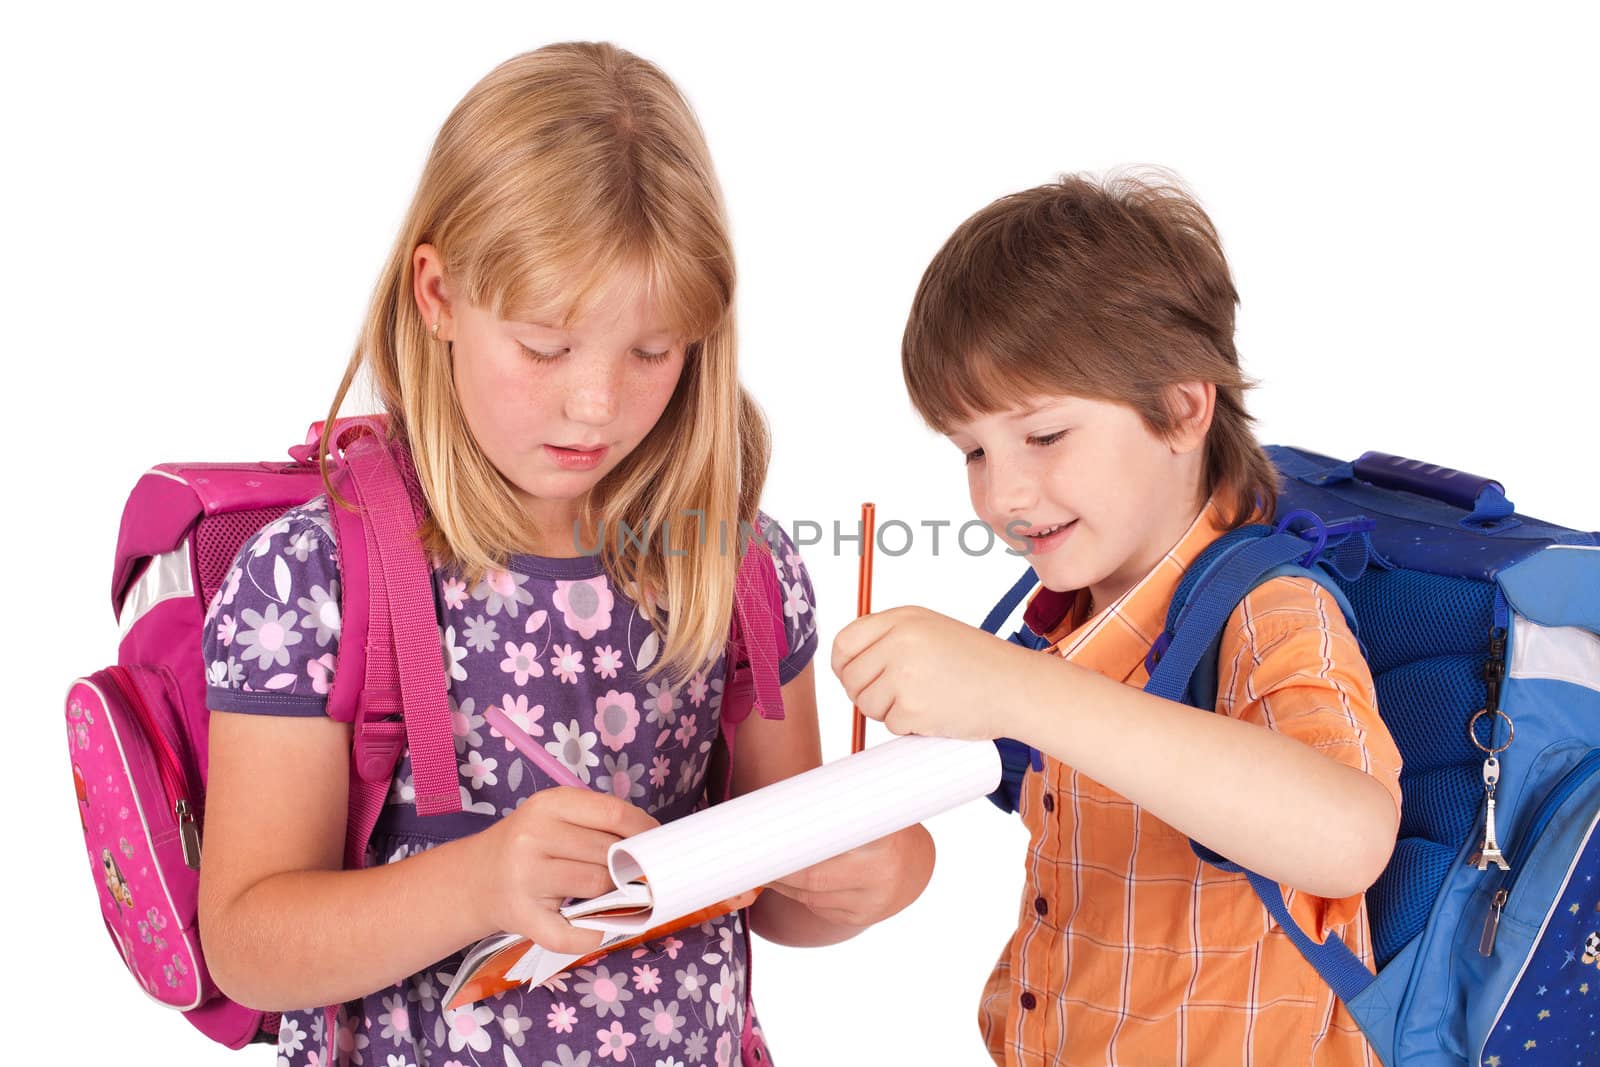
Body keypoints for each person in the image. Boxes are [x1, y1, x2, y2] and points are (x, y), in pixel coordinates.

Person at [197, 42, 934, 1067]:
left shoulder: (735, 564)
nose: (595, 403)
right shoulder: (310, 577)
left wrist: (868, 880)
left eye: (651, 350)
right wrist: (476, 880)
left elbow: (773, 894)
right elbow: (245, 942)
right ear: (438, 294)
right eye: (546, 346)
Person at [833, 172, 1403, 1065]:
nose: (1002, 493)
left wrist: (1017, 689)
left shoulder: (1266, 607)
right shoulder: (1070, 621)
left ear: (1181, 408)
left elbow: (1349, 836)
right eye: (973, 450)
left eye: (1045, 435)